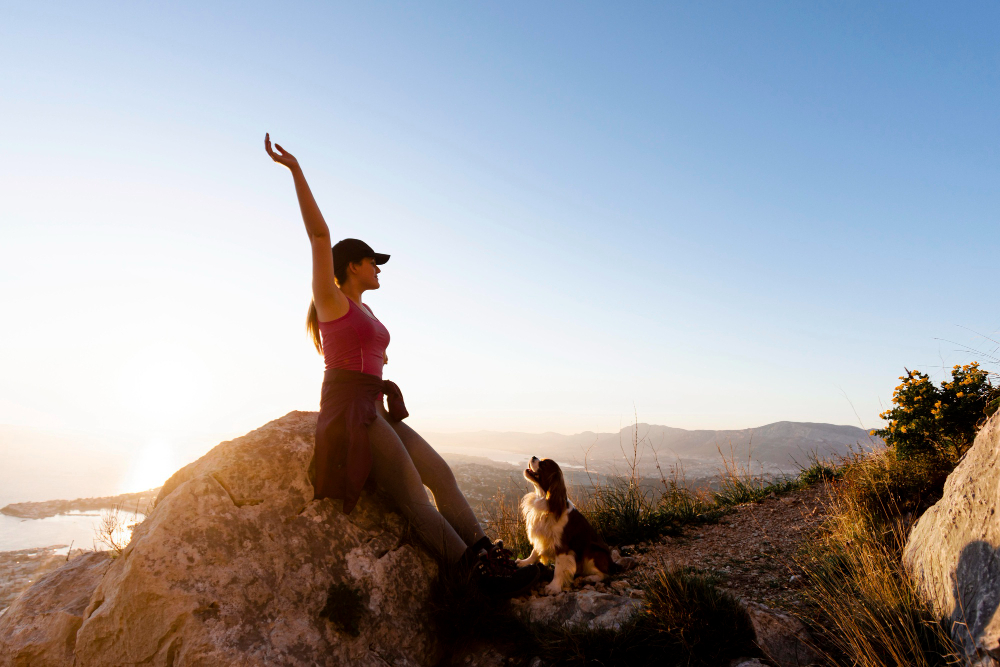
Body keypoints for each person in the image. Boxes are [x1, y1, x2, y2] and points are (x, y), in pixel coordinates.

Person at [264, 134, 537, 596]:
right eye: (373, 262)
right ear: (352, 266)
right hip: (354, 410)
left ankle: (490, 559)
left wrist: (377, 359)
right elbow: (319, 237)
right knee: (413, 496)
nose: (379, 269)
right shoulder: (330, 300)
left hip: (374, 403)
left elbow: (368, 351)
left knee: (441, 475)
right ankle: (477, 580)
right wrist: (295, 170)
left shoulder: (366, 311)